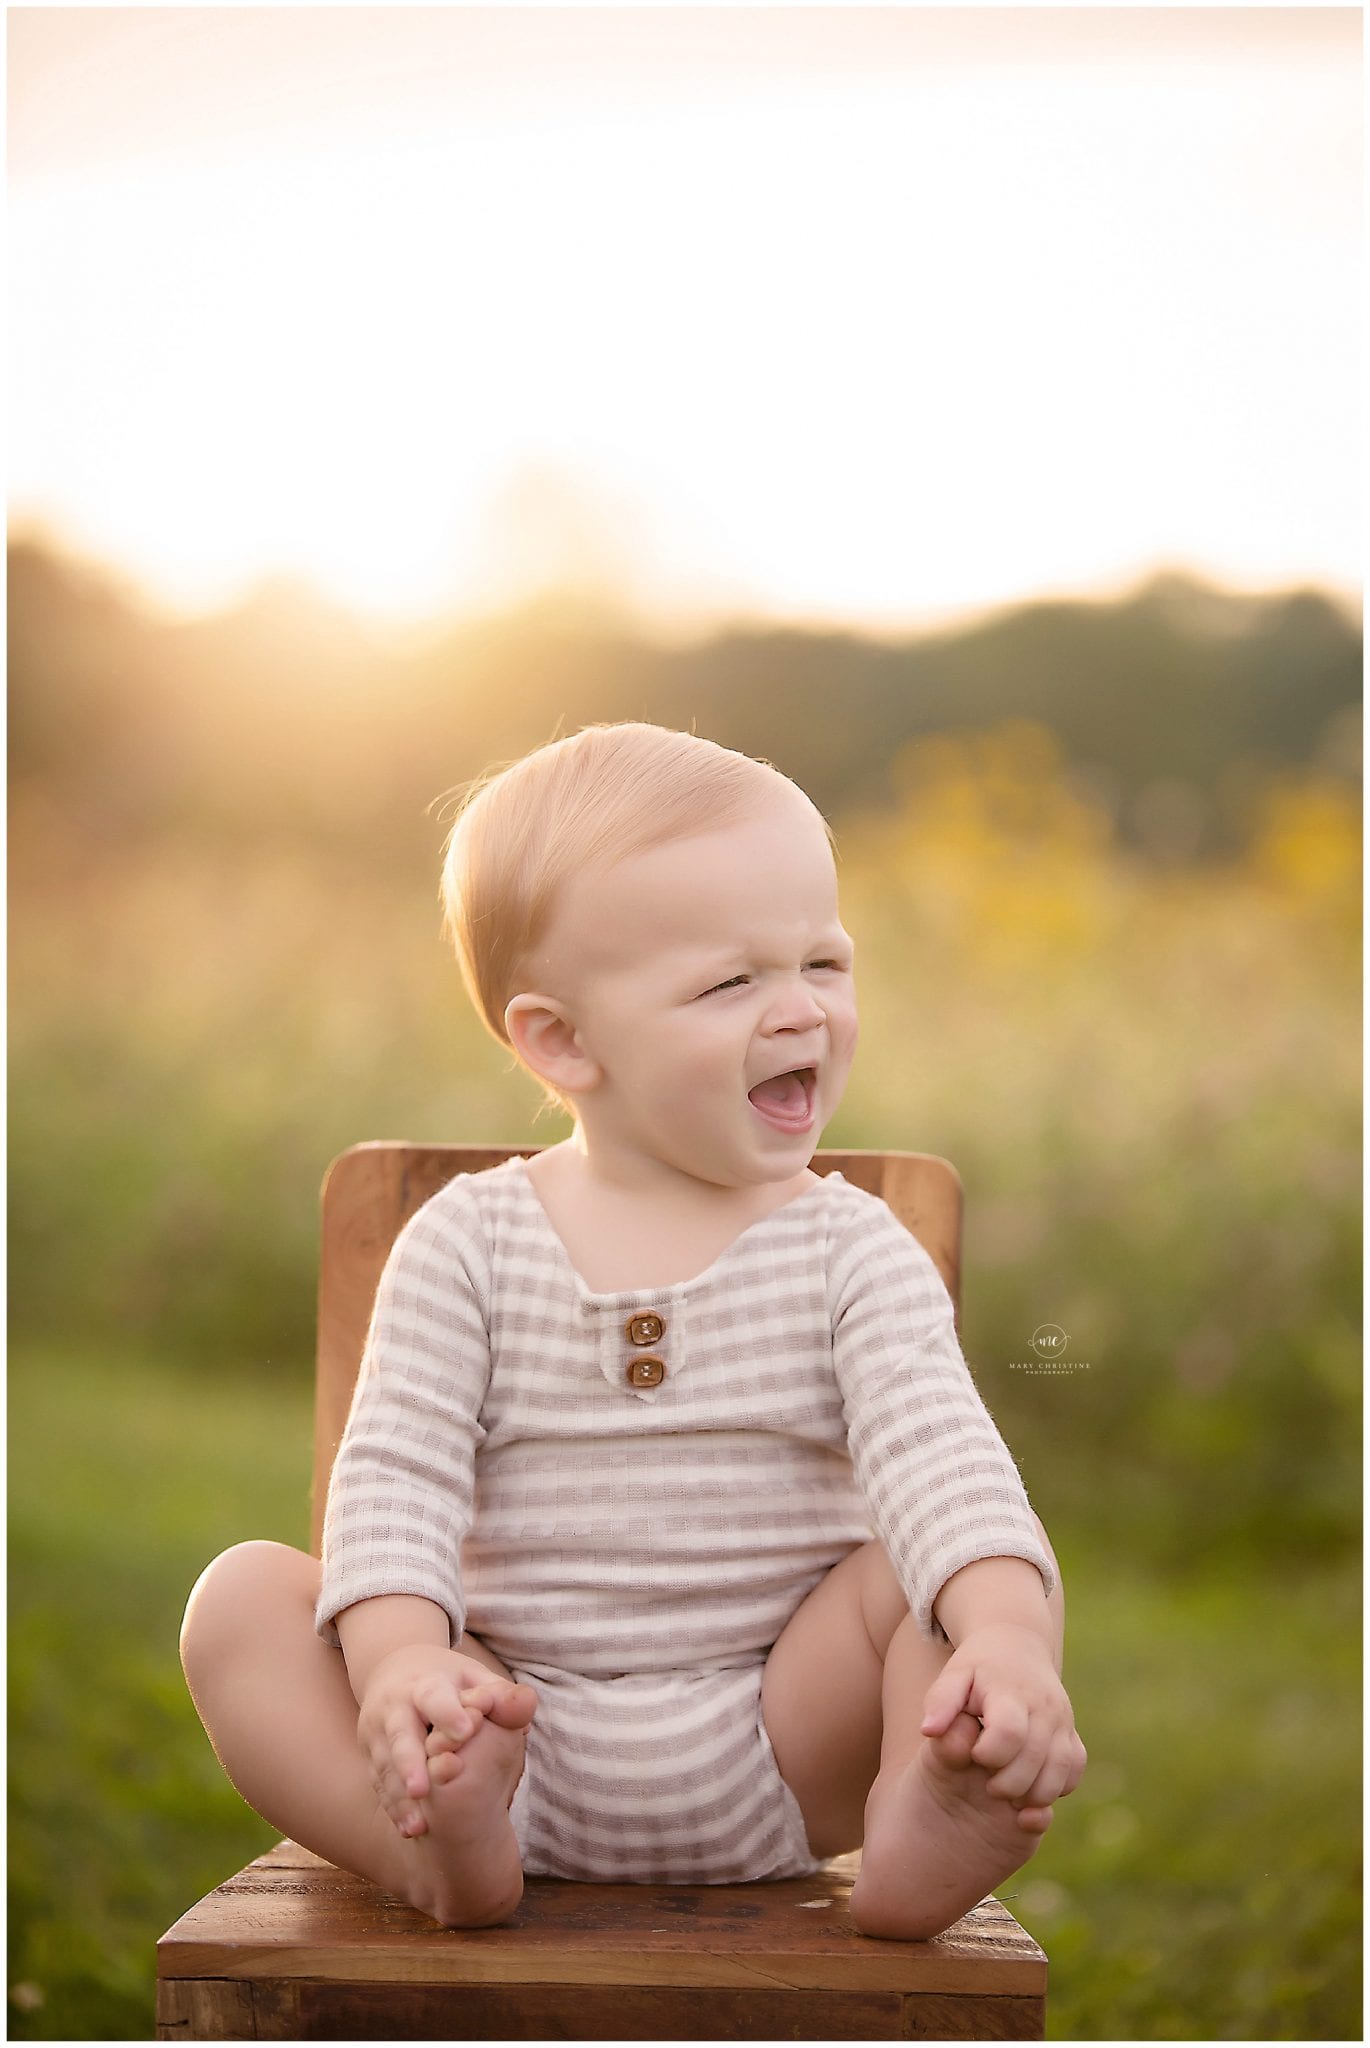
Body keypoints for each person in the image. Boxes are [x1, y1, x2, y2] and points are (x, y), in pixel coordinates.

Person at [180, 721, 1086, 1940]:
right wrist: (403, 1663)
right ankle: (433, 1844)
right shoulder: (467, 1242)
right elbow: (394, 1473)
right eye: (729, 983)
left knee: (956, 1564)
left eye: (822, 961)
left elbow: (940, 1457)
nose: (800, 1010)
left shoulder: (851, 1247)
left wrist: (1008, 1642)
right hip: (500, 1726)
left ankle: (927, 1806)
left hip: (787, 1731)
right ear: (560, 1038)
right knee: (238, 1598)